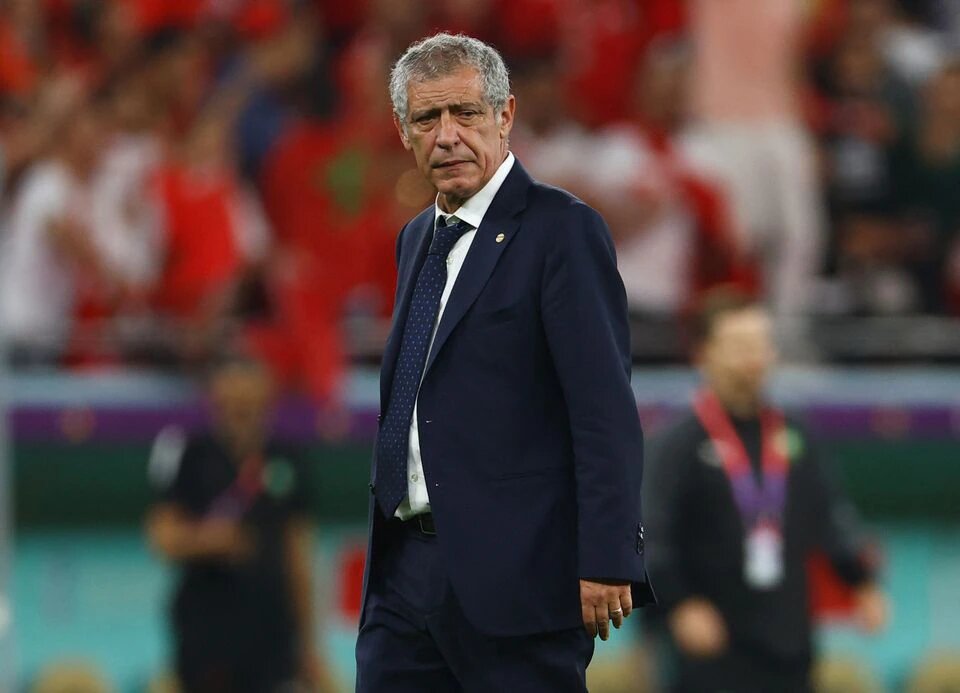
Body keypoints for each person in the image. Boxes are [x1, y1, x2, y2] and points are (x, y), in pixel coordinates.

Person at [354, 33, 654, 693]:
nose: (447, 135)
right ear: (404, 133)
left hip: (519, 578)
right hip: (403, 576)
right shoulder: (415, 239)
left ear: (505, 115)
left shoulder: (561, 229)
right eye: (427, 119)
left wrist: (609, 555)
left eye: (465, 113)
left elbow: (603, 406)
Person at [642, 290, 888, 693]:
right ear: (703, 353)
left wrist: (861, 582)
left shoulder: (796, 434)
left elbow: (830, 514)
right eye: (740, 346)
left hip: (788, 643)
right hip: (708, 649)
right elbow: (651, 535)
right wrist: (679, 604)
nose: (754, 359)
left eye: (761, 345)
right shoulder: (676, 443)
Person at [145, 355, 336, 693]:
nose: (241, 414)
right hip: (206, 636)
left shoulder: (288, 458)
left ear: (267, 402)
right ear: (214, 401)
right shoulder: (190, 454)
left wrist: (310, 645)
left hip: (272, 636)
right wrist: (209, 541)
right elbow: (161, 536)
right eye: (232, 405)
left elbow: (299, 557)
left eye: (249, 406)